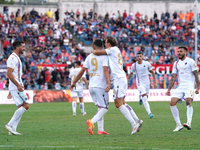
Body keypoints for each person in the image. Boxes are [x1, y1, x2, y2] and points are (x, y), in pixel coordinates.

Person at [91, 36, 143, 135]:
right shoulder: (115, 50)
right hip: (120, 78)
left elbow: (97, 52)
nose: (104, 45)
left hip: (119, 79)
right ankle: (137, 120)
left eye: (105, 43)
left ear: (109, 43)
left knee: (118, 104)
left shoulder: (112, 49)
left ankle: (133, 124)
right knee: (122, 103)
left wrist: (93, 49)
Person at [71, 39, 110, 135]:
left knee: (100, 108)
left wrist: (74, 82)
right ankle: (91, 121)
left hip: (91, 86)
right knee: (105, 108)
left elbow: (81, 71)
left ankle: (100, 129)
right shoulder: (104, 56)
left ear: (94, 46)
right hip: (100, 86)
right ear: (102, 47)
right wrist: (108, 83)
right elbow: (105, 69)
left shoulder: (89, 57)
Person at [166, 46, 199, 132]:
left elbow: (196, 75)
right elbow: (173, 77)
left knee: (188, 101)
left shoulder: (191, 62)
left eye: (181, 51)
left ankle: (188, 123)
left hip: (189, 86)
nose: (179, 53)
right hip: (181, 86)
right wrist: (169, 90)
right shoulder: (176, 63)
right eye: (178, 52)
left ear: (185, 52)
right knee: (172, 102)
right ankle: (178, 125)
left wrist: (198, 87)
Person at [5, 40, 29, 135]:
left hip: (16, 86)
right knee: (26, 105)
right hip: (17, 86)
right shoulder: (12, 58)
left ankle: (13, 130)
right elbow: (9, 73)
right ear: (17, 47)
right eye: (23, 47)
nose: (24, 48)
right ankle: (9, 125)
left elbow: (14, 73)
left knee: (21, 107)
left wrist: (12, 88)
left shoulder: (16, 57)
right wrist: (17, 85)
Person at [127, 52, 157, 118]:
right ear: (136, 57)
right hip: (140, 83)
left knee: (146, 97)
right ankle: (149, 113)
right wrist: (126, 81)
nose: (139, 58)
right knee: (145, 98)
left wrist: (155, 82)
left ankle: (140, 97)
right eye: (138, 56)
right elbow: (131, 73)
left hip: (147, 83)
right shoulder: (134, 65)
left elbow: (152, 72)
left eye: (140, 56)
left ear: (142, 57)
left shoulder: (146, 63)